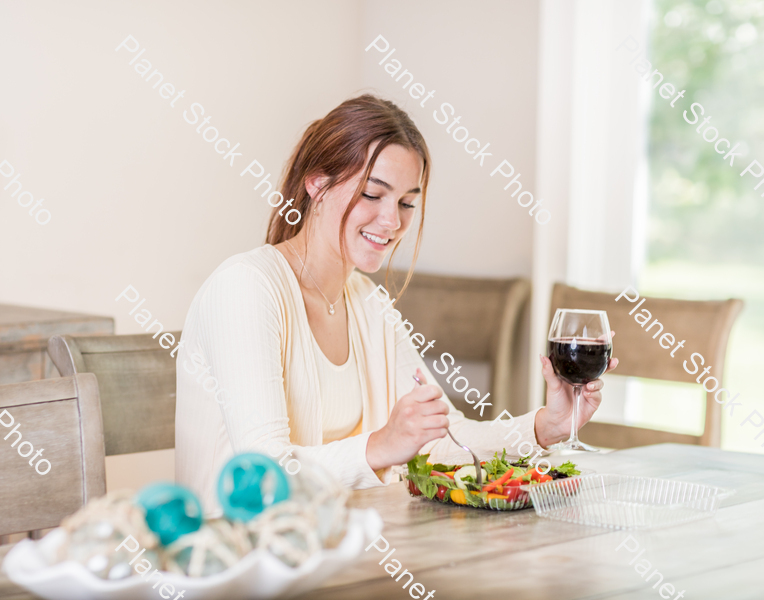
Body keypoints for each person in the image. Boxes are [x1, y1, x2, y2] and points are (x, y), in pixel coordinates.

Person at [175, 94, 618, 515]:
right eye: (372, 194)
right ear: (317, 184)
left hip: (338, 556)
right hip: (235, 566)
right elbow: (261, 477)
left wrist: (548, 425)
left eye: (407, 202)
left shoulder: (369, 303)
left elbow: (444, 439)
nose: (392, 221)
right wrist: (382, 444)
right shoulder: (246, 288)